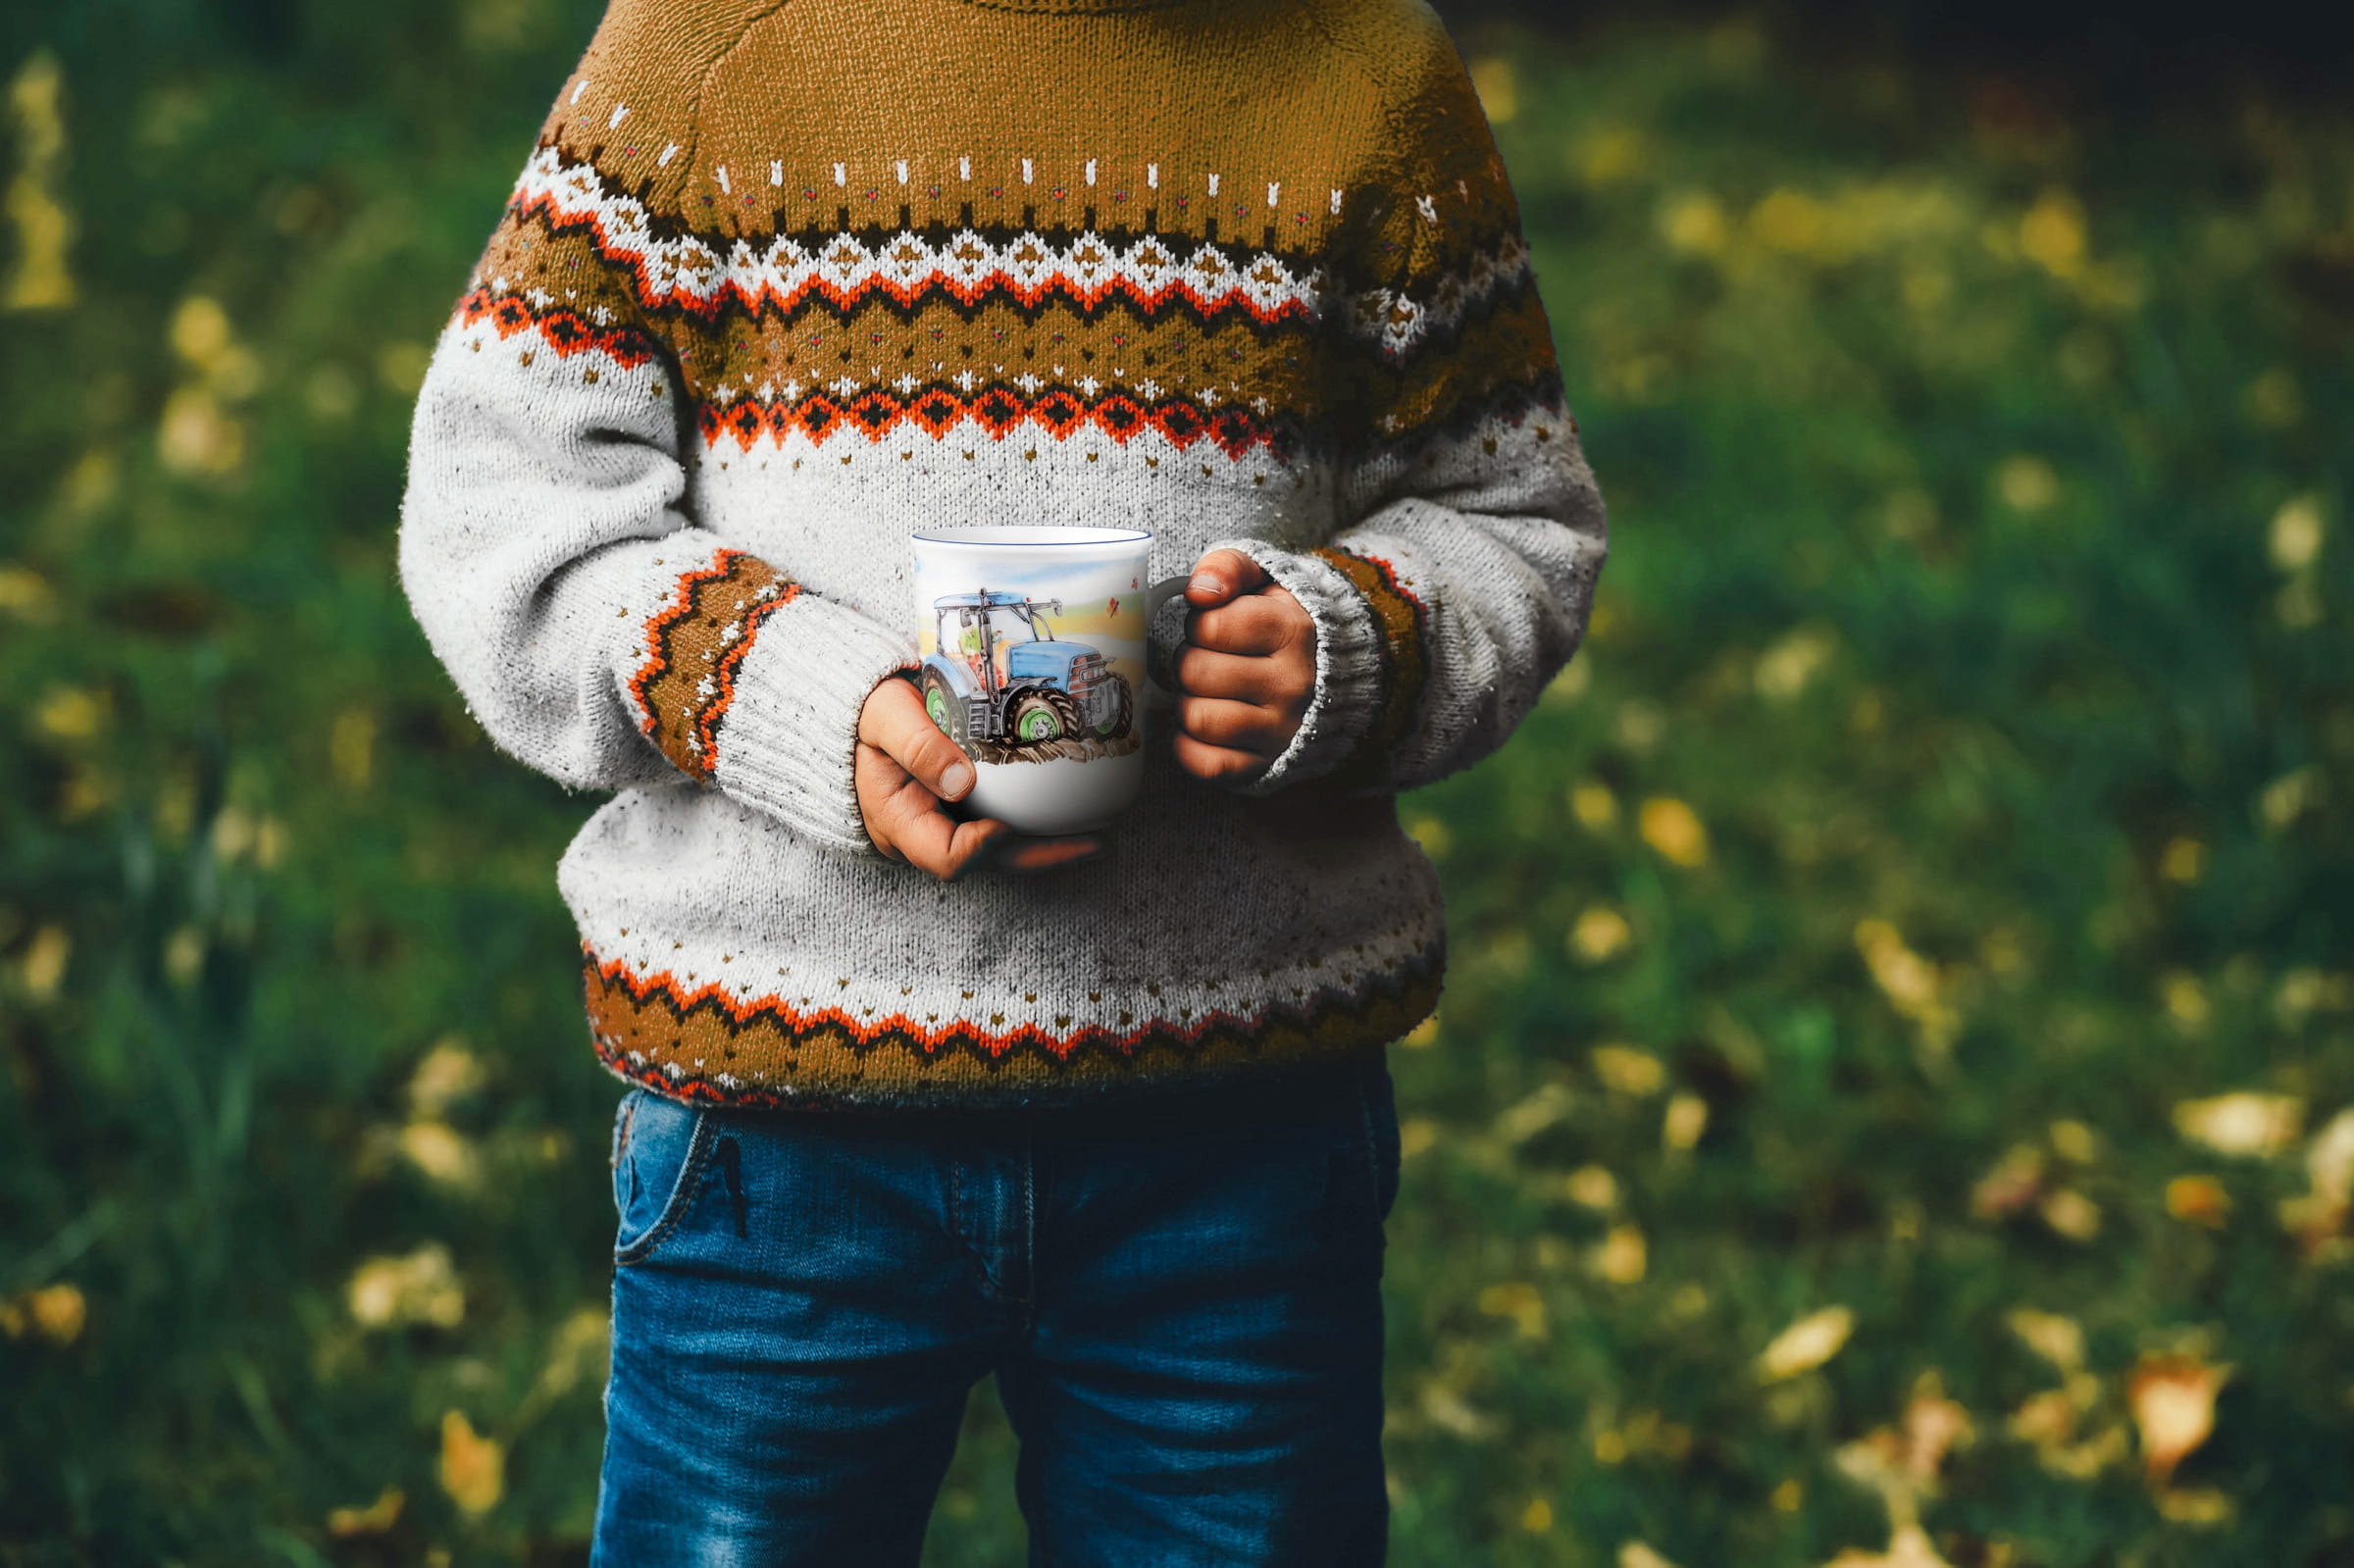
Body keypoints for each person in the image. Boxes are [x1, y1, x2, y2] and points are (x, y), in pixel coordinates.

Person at [396, 0, 1607, 1560]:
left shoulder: (1365, 75)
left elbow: (1513, 509)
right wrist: (780, 691)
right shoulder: (706, 51)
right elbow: (504, 498)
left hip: (1233, 1144)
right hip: (780, 1137)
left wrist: (1351, 650)